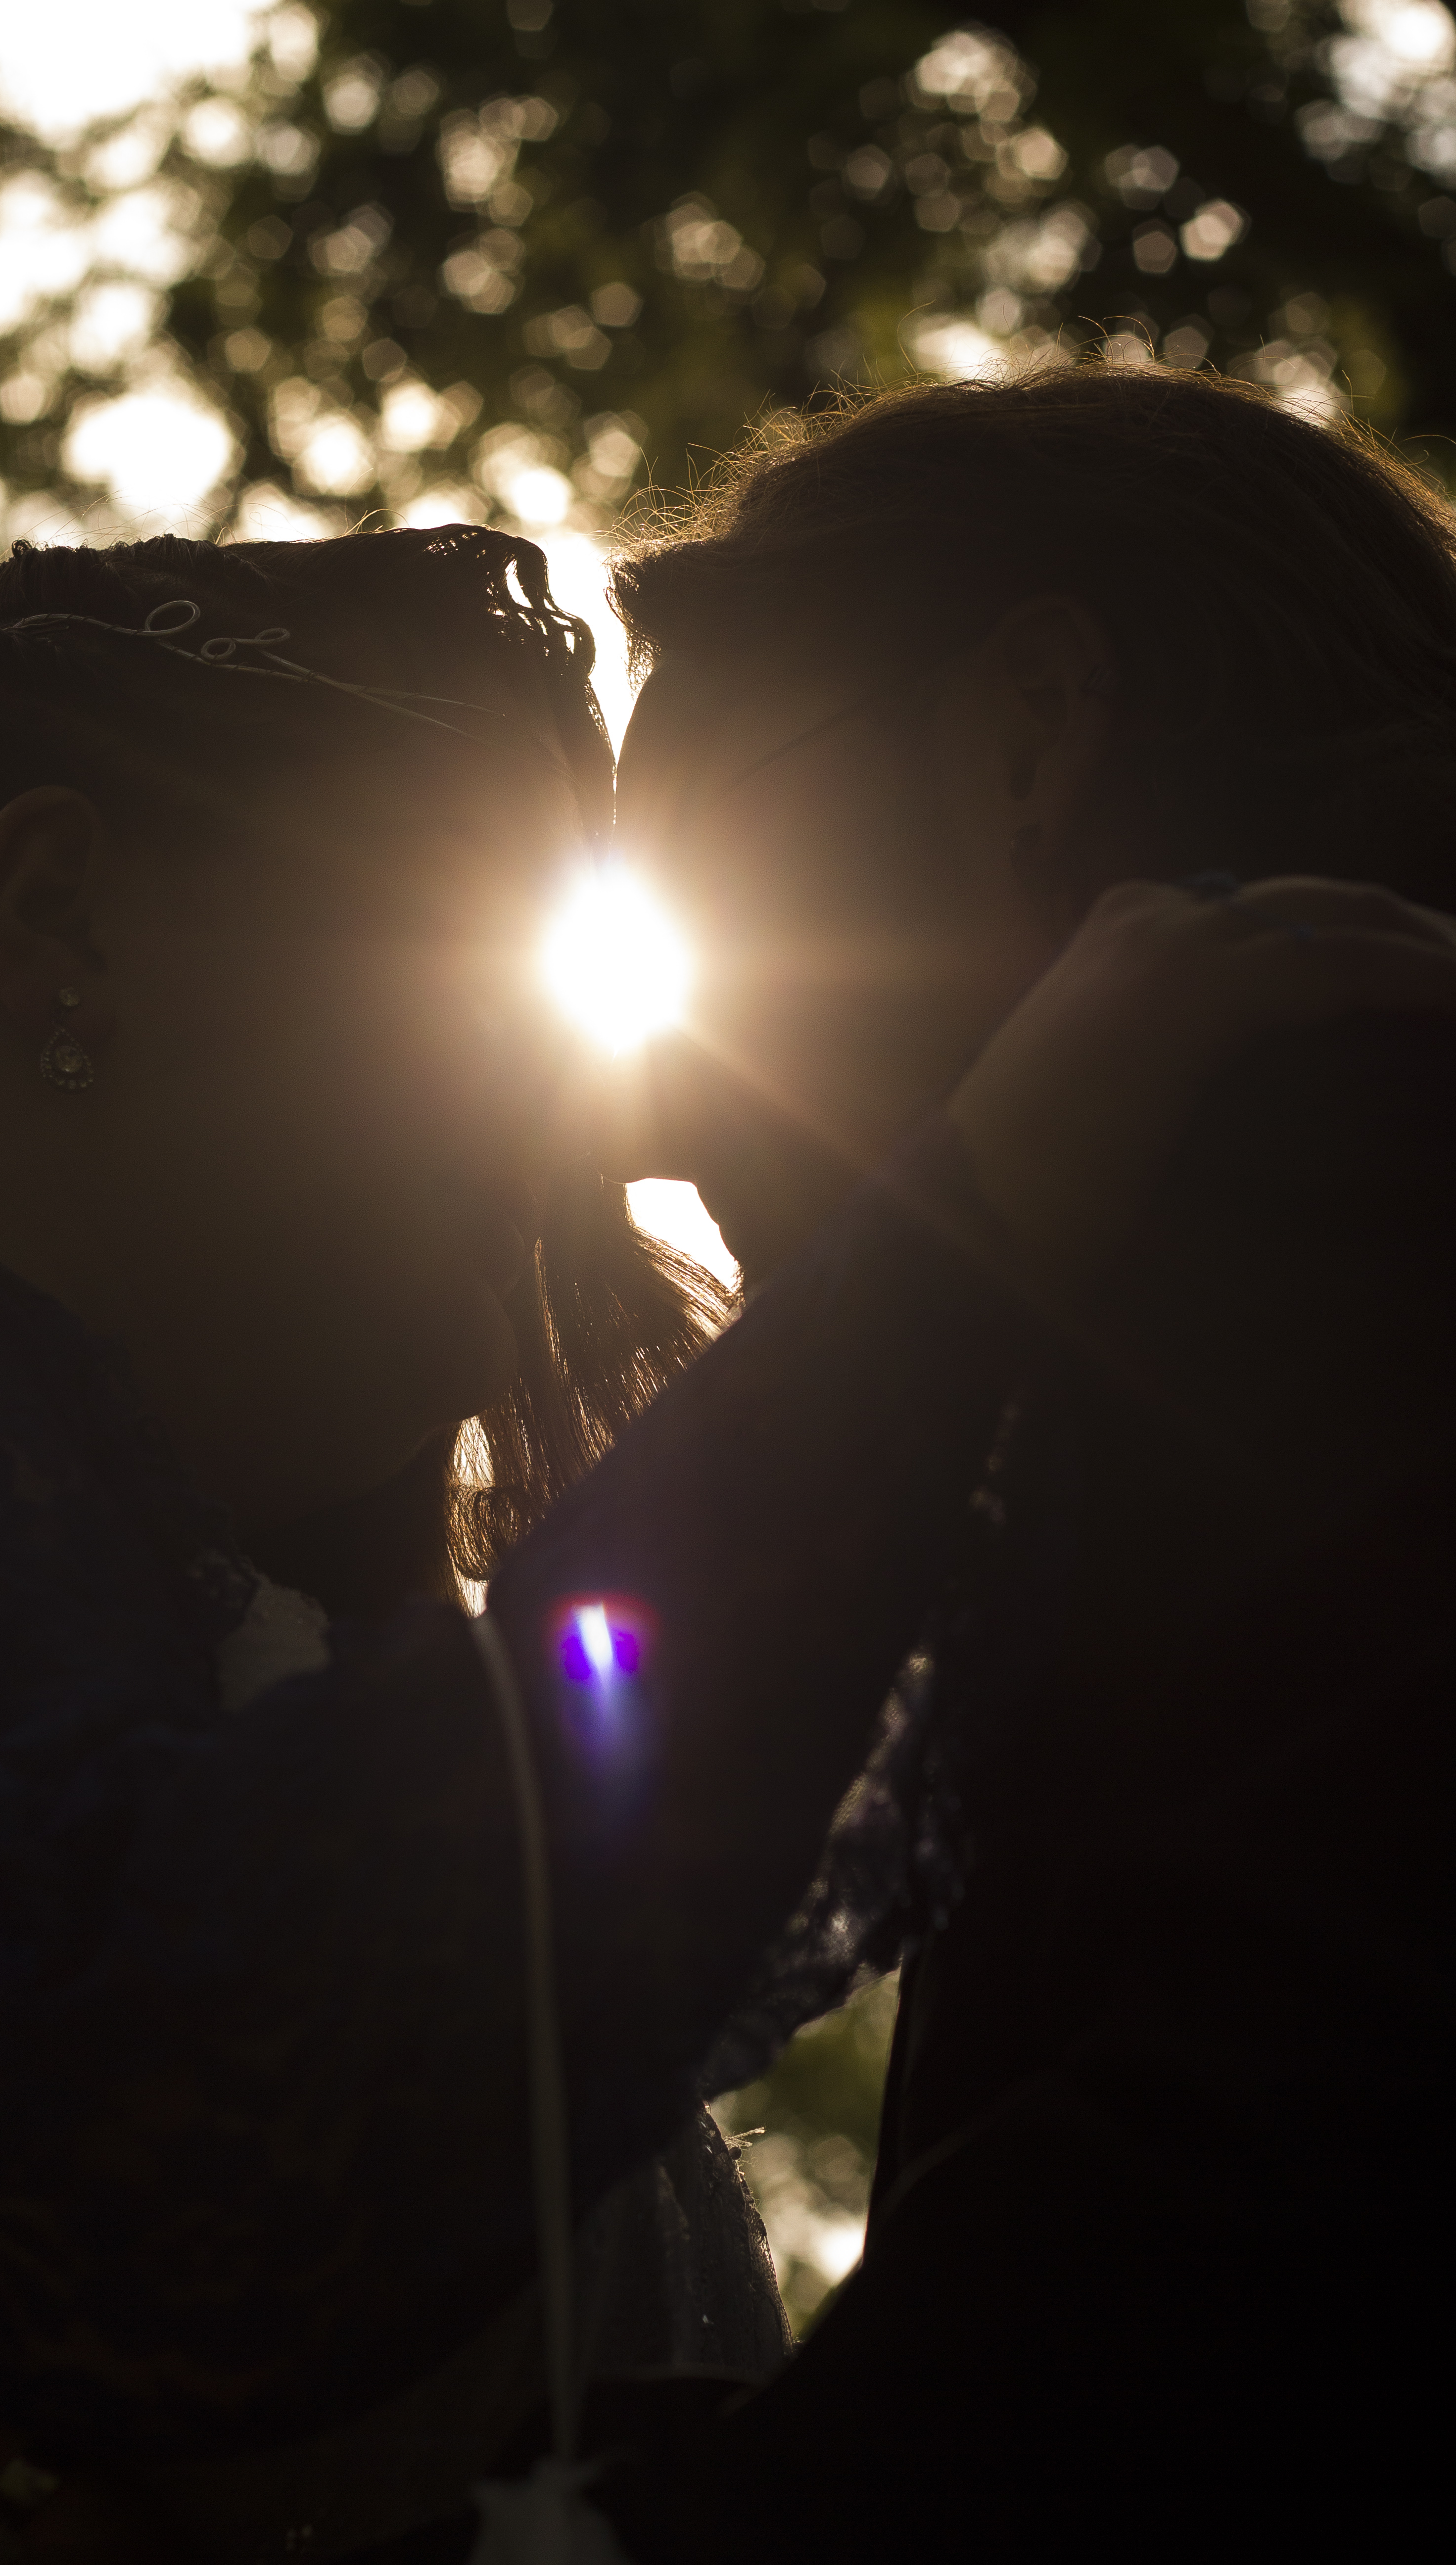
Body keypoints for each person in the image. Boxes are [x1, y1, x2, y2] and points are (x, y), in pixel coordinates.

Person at [0, 513, 1446, 2565]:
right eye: (483, 969)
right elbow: (176, 2115)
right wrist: (967, 1225)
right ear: (64, 919)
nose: (601, 1124)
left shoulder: (326, 1696)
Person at [586, 362, 1456, 2553]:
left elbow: (1250, 2201)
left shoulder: (1334, 1183)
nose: (659, 1115)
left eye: (692, 891)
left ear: (1031, 735)